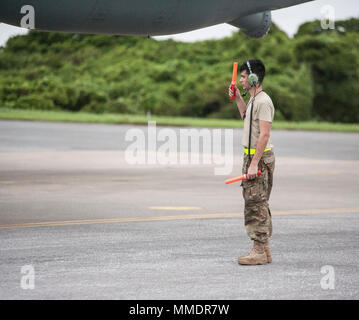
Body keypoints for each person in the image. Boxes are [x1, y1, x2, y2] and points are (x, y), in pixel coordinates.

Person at [228, 59, 275, 265]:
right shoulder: (254, 101)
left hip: (259, 158)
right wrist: (238, 97)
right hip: (252, 156)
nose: (241, 79)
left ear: (254, 78)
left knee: (255, 204)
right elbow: (246, 118)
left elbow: (264, 135)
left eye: (244, 76)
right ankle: (264, 250)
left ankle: (258, 250)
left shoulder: (264, 101)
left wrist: (254, 163)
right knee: (258, 201)